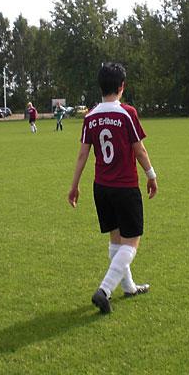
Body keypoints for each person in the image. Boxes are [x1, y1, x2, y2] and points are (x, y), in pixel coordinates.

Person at [68, 62, 158, 314]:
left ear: (100, 86)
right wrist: (151, 175)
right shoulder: (127, 112)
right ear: (122, 86)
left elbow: (82, 155)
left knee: (116, 240)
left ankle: (129, 287)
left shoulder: (90, 116)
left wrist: (74, 186)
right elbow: (139, 150)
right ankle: (104, 290)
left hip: (101, 188)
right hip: (125, 187)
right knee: (131, 242)